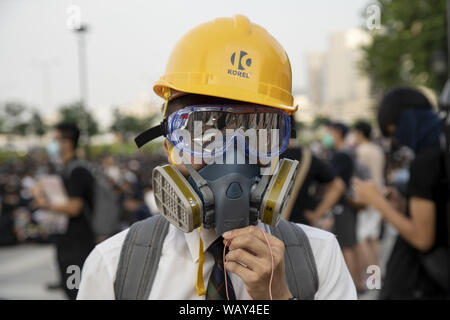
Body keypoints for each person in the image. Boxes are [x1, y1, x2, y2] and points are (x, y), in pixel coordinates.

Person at [77, 15, 356, 300]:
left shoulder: (319, 257)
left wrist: (278, 296)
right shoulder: (115, 267)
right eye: (206, 134)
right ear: (170, 147)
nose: (233, 157)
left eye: (256, 133)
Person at [354, 87, 449, 299]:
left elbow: (423, 238)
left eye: (394, 131)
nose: (398, 140)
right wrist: (404, 206)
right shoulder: (439, 152)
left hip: (421, 286)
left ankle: (372, 283)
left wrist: (378, 201)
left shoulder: (425, 162)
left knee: (365, 243)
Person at [32, 122, 95, 300]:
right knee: (70, 288)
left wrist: (45, 205)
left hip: (79, 243)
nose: (53, 143)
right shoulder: (65, 169)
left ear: (67, 143)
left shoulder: (78, 170)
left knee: (78, 291)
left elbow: (74, 207)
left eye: (56, 139)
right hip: (67, 240)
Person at [322, 122, 359, 287]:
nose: (327, 135)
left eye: (329, 132)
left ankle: (353, 287)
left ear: (337, 133)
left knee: (346, 246)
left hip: (342, 206)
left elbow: (338, 185)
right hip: (346, 206)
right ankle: (358, 285)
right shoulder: (346, 153)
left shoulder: (340, 155)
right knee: (349, 244)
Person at [281, 137, 345, 228]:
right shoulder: (306, 156)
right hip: (298, 227)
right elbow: (338, 186)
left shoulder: (261, 156)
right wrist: (316, 214)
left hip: (261, 229)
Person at [352, 121, 385, 291]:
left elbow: (360, 177)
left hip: (367, 198)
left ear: (359, 133)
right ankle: (376, 278)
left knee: (362, 238)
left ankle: (372, 279)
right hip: (380, 196)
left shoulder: (361, 151)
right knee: (373, 239)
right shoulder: (377, 149)